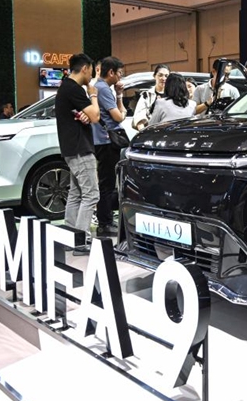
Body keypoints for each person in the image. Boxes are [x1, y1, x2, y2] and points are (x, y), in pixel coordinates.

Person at [55, 54, 100, 254]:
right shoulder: (74, 89)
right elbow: (96, 116)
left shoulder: (65, 87)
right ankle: (81, 242)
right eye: (91, 71)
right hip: (80, 149)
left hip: (71, 148)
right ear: (85, 68)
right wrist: (93, 95)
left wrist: (85, 115)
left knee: (76, 194)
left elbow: (87, 116)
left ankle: (70, 238)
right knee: (91, 194)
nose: (91, 76)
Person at [91, 56, 127, 238]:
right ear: (111, 72)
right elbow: (119, 117)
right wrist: (122, 110)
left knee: (106, 182)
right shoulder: (103, 89)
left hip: (103, 141)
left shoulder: (101, 87)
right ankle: (104, 223)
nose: (120, 77)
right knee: (107, 184)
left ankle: (105, 221)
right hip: (106, 142)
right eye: (119, 73)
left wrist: (119, 95)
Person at [133, 64, 169, 131]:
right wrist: (144, 133)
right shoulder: (146, 95)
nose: (163, 78)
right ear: (154, 76)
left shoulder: (172, 95)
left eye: (166, 76)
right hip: (151, 131)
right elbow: (139, 117)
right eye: (160, 75)